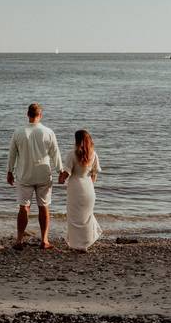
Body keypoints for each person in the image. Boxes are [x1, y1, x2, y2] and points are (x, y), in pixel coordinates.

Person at [6, 103, 63, 250]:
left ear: (27, 114)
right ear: (40, 115)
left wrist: (9, 171)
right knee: (44, 206)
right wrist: (60, 171)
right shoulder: (48, 132)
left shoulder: (18, 132)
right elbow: (55, 154)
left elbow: (12, 154)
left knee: (23, 207)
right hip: (43, 174)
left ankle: (19, 240)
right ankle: (44, 240)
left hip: (24, 174)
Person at [58, 129, 102, 252]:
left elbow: (66, 174)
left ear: (76, 140)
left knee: (74, 217)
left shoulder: (72, 154)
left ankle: (77, 244)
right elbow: (94, 175)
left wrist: (60, 178)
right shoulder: (93, 154)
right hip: (88, 187)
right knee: (86, 216)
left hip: (75, 188)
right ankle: (85, 244)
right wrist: (89, 186)